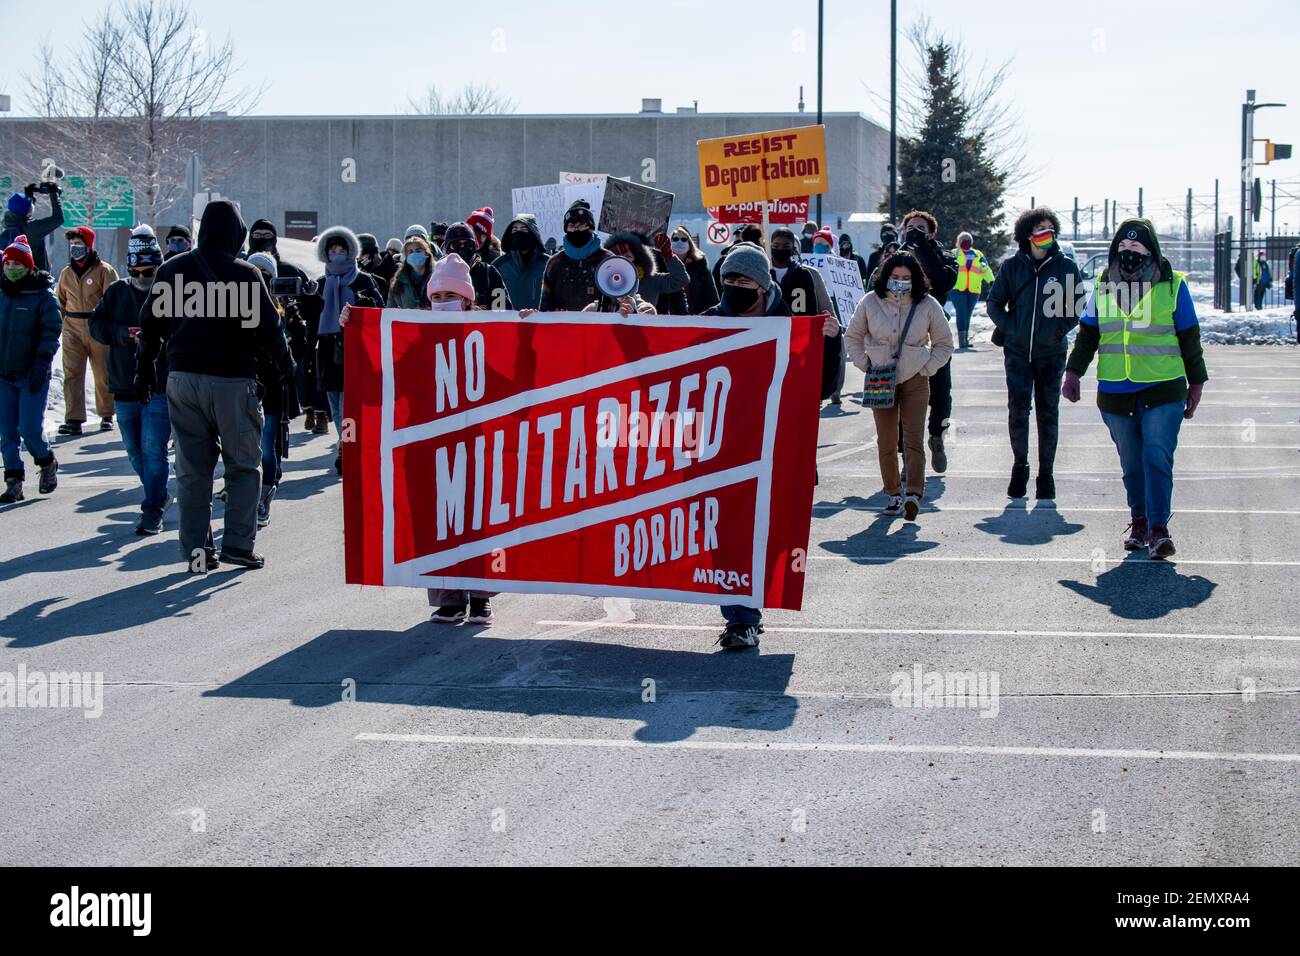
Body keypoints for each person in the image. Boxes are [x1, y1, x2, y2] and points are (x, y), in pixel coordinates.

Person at [137, 199, 294, 571]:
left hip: (182, 380)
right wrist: (288, 372)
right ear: (236, 233)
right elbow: (272, 333)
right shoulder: (246, 275)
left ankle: (196, 553)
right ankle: (237, 546)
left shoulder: (171, 270)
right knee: (243, 465)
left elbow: (151, 326)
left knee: (192, 471)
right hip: (232, 382)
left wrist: (144, 368)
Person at [700, 243, 840, 649]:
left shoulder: (792, 325)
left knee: (769, 535)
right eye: (727, 279)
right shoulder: (710, 321)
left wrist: (828, 342)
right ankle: (742, 619)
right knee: (727, 537)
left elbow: (824, 386)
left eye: (742, 280)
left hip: (775, 449)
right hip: (723, 450)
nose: (733, 287)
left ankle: (752, 605)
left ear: (762, 286)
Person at [1062, 217, 1208, 559]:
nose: (1128, 252)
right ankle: (1139, 522)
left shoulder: (1173, 286)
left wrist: (1197, 383)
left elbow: (1190, 339)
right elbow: (1088, 334)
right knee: (1131, 463)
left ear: (1150, 250)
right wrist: (1073, 372)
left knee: (1156, 456)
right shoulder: (1103, 285)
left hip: (1163, 388)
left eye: (1136, 247)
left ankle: (1159, 528)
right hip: (1115, 390)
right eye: (1123, 247)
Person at [846, 251, 953, 521]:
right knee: (886, 439)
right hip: (880, 376)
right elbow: (853, 337)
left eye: (906, 278)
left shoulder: (927, 304)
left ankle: (913, 494)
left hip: (915, 378)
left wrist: (927, 367)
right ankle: (893, 492)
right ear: (886, 276)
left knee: (913, 437)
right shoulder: (870, 302)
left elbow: (944, 343)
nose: (900, 282)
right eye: (895, 277)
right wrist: (865, 364)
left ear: (915, 278)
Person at [986, 208, 1084, 500]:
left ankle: (1046, 475)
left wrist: (1056, 331)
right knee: (1017, 411)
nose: (1047, 233)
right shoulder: (1012, 267)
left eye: (1050, 228)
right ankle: (1020, 467)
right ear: (1027, 234)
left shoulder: (1065, 267)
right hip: (1017, 353)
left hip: (1051, 353)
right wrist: (1012, 329)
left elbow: (1077, 306)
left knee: (1048, 412)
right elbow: (994, 303)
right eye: (1040, 228)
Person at [90, 226, 171, 534]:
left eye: (149, 270)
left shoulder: (171, 293)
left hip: (159, 384)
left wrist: (154, 338)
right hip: (124, 383)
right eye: (136, 269)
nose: (142, 275)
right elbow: (96, 326)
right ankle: (159, 493)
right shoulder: (117, 292)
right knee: (135, 453)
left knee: (154, 450)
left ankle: (152, 508)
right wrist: (124, 335)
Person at [311, 226, 385, 475]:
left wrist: (364, 307)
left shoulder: (364, 280)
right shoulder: (321, 284)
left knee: (349, 404)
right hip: (329, 351)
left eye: (342, 250)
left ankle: (347, 446)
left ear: (352, 252)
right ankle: (345, 440)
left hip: (356, 350)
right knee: (335, 404)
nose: (337, 255)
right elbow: (313, 320)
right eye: (332, 250)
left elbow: (379, 311)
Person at [0, 235, 61, 503]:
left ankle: (46, 461)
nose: (11, 267)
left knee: (29, 429)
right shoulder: (2, 293)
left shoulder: (42, 296)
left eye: (17, 263)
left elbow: (51, 330)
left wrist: (42, 361)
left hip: (31, 373)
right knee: (7, 432)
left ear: (28, 265)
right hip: (4, 374)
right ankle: (14, 482)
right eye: (8, 263)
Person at [898, 210, 958, 472]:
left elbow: (944, 281)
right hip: (901, 335)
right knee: (902, 396)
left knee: (941, 393)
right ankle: (907, 458)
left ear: (931, 233)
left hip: (934, 334)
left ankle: (936, 436)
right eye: (910, 228)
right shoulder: (896, 256)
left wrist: (922, 247)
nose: (914, 232)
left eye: (920, 229)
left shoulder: (943, 257)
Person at [246, 252, 299, 529]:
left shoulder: (283, 307)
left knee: (266, 446)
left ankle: (263, 496)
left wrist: (294, 325)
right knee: (246, 446)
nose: (258, 278)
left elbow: (297, 347)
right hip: (245, 385)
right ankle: (248, 491)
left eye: (264, 274)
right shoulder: (237, 303)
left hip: (273, 386)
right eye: (253, 271)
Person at [55, 225, 118, 435]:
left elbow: (113, 301)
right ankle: (73, 418)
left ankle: (107, 414)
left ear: (89, 246)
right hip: (72, 327)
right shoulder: (66, 273)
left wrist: (108, 326)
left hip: (96, 326)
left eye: (79, 244)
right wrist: (61, 324)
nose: (75, 248)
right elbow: (61, 301)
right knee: (72, 373)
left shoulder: (104, 271)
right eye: (72, 244)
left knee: (102, 373)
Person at [769, 228, 842, 403]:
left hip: (800, 347)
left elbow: (824, 312)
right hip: (770, 346)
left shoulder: (806, 275)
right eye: (776, 245)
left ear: (793, 248)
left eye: (785, 245)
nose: (780, 249)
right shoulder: (763, 274)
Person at [539, 199, 613, 312]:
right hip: (563, 328)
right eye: (572, 226)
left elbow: (620, 301)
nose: (576, 230)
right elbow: (544, 306)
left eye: (582, 225)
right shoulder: (555, 263)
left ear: (590, 228)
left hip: (598, 327)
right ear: (566, 229)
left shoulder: (607, 260)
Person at [441, 222, 511, 310]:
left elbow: (502, 312)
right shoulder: (437, 274)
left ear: (475, 246)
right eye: (455, 245)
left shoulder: (489, 274)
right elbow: (427, 313)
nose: (462, 248)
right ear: (447, 249)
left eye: (468, 245)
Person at [1, 182, 64, 273]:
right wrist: (54, 194)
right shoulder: (31, 228)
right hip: (33, 279)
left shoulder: (7, 224)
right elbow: (58, 219)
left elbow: (23, 213)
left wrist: (28, 197)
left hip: (10, 277)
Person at [494, 215, 550, 311]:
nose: (519, 233)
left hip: (539, 324)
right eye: (515, 230)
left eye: (524, 229)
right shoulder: (499, 266)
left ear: (533, 233)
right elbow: (496, 307)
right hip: (509, 325)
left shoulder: (547, 264)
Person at [949, 231, 995, 350]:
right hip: (958, 289)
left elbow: (985, 269)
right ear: (958, 242)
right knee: (961, 313)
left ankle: (965, 338)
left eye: (968, 241)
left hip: (974, 290)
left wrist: (991, 281)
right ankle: (961, 340)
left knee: (968, 314)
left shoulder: (978, 255)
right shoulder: (954, 253)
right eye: (963, 240)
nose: (966, 243)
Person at [670, 226, 718, 315]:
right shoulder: (663, 263)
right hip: (668, 318)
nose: (679, 242)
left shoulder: (699, 263)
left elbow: (711, 295)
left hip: (696, 317)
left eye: (684, 239)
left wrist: (705, 315)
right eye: (675, 239)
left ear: (689, 243)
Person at [386, 236, 435, 308]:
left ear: (426, 253)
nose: (414, 254)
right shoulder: (398, 282)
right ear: (406, 256)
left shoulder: (437, 277)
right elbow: (390, 309)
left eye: (418, 251)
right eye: (410, 252)